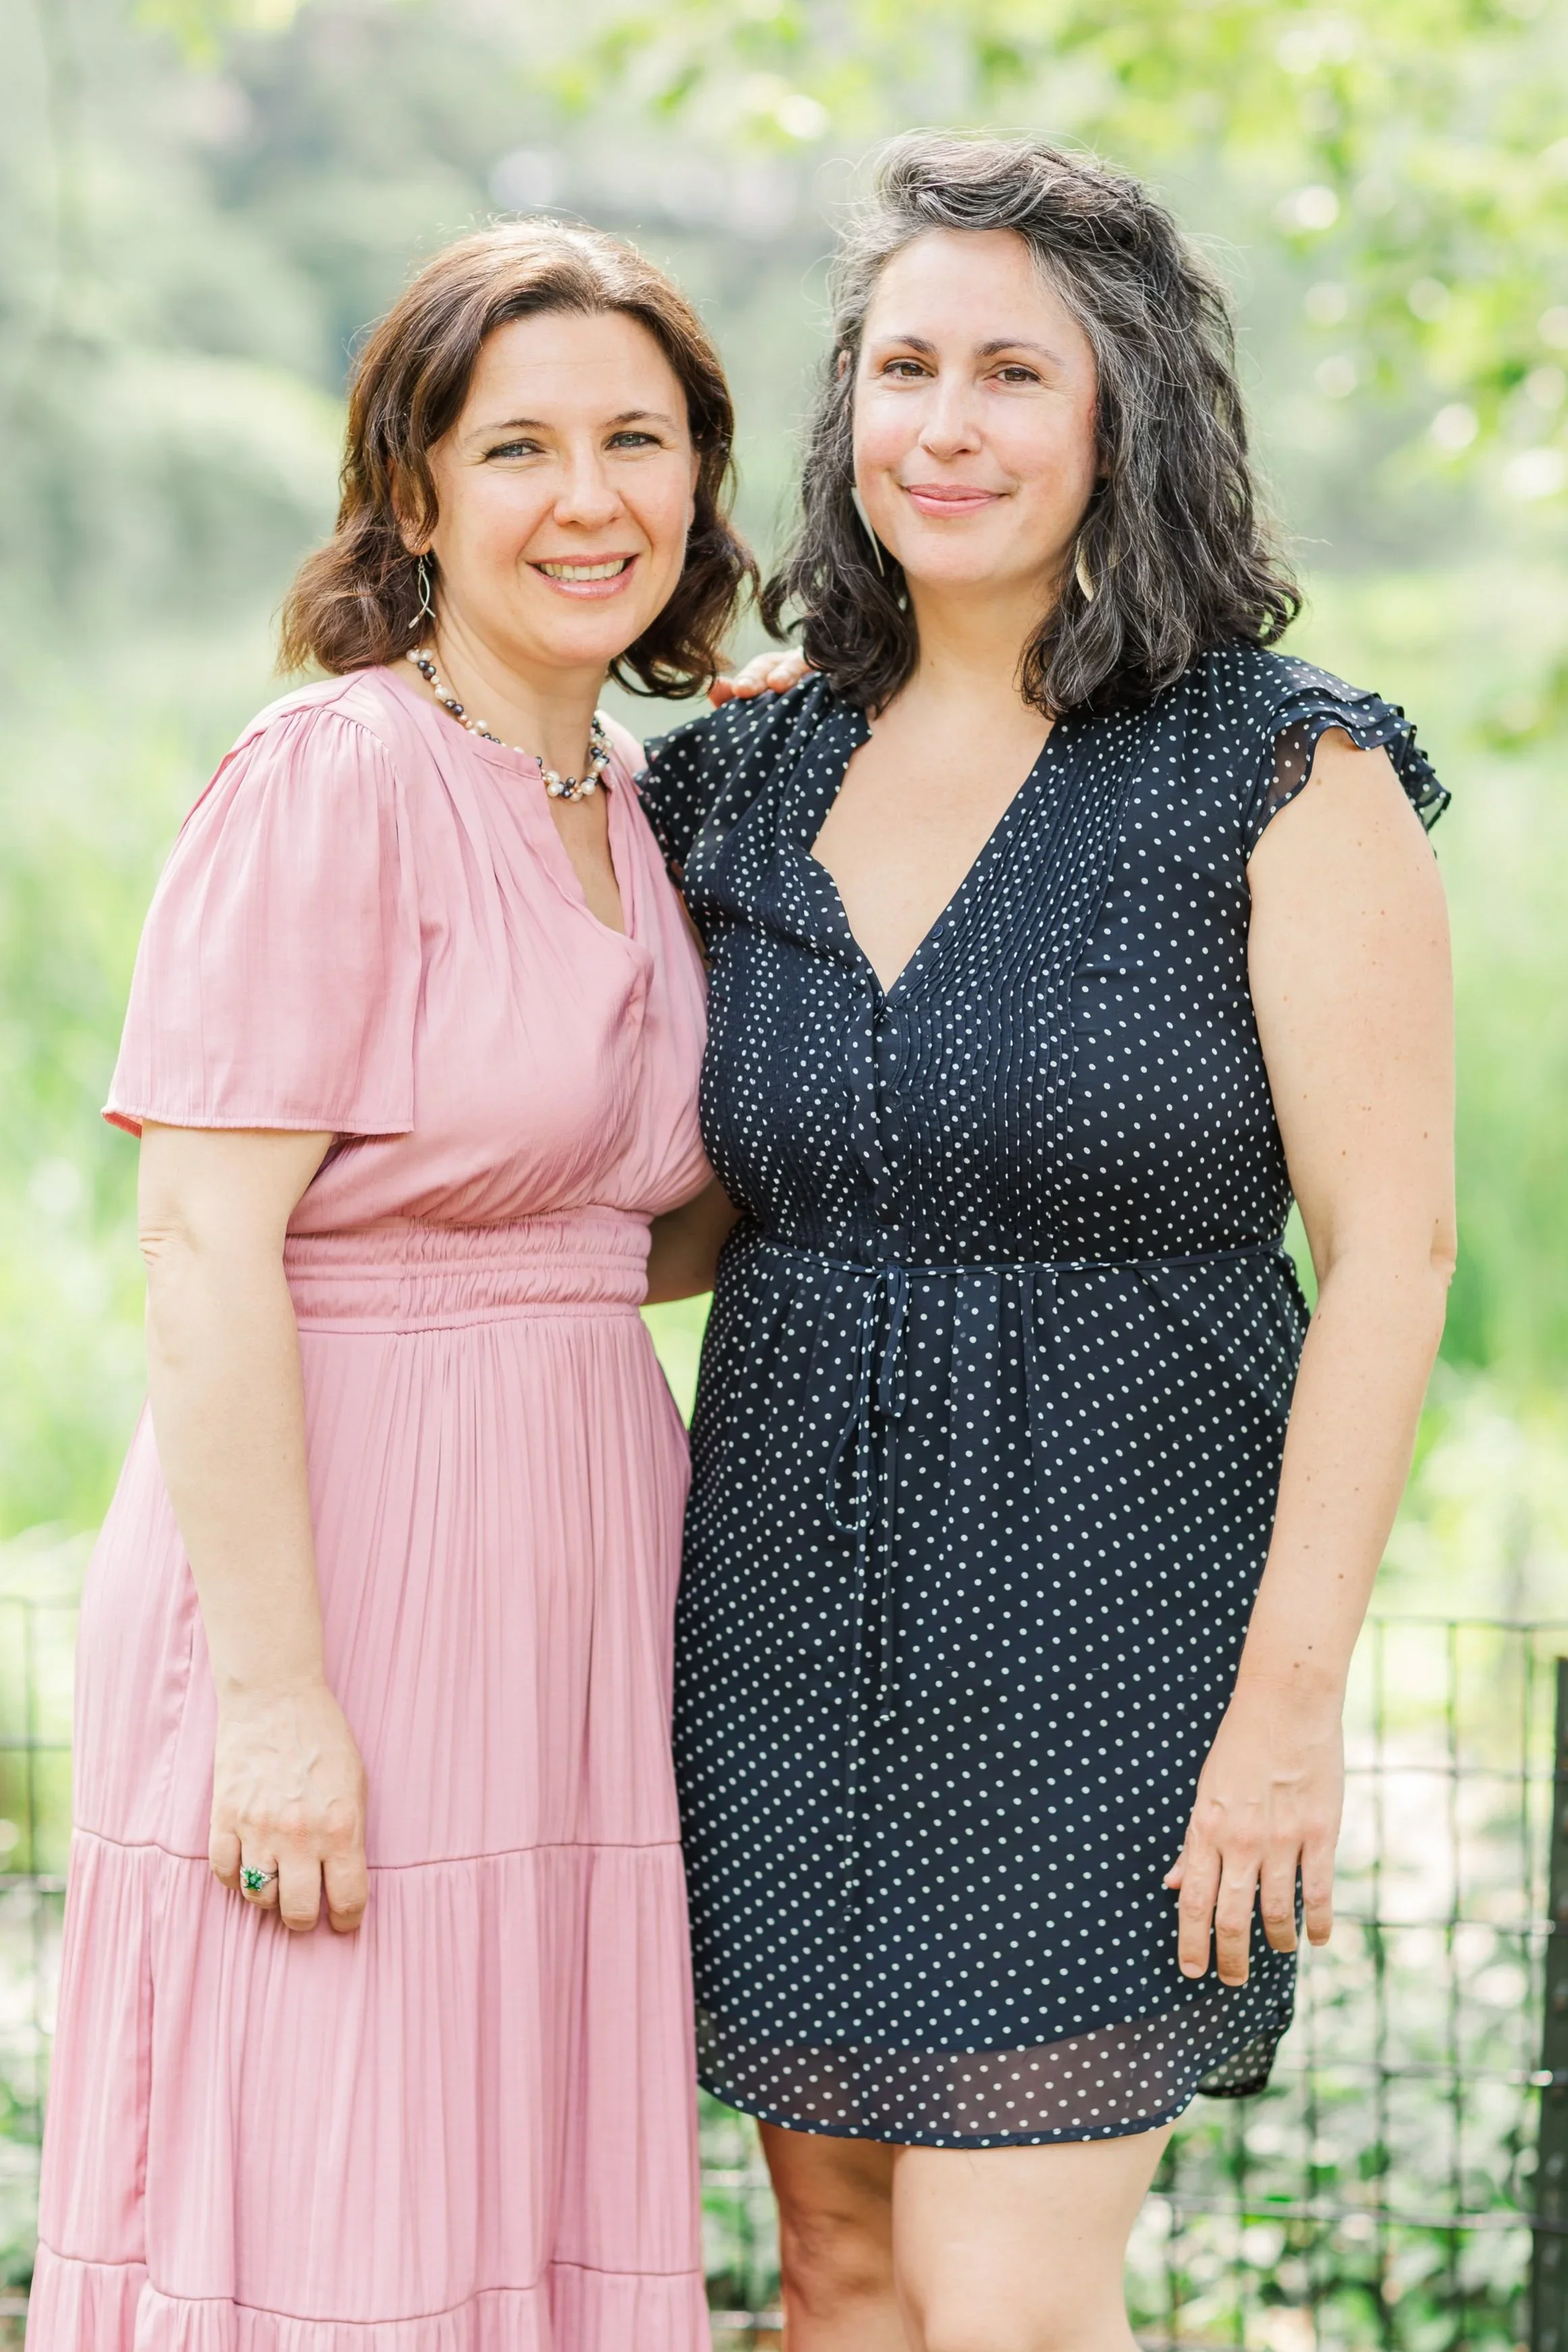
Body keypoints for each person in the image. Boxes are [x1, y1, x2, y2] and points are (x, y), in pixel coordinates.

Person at [637, 134, 1455, 2352]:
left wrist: (1288, 1708)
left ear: (1127, 417)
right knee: (839, 2275)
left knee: (1007, 2300)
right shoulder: (738, 784)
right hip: (786, 1627)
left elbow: (1396, 1258)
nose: (947, 422)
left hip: (1127, 1641)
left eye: (1014, 370)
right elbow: (687, 1202)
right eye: (903, 366)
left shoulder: (1286, 776)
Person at [30, 221, 745, 2351]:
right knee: (332, 2175)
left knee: (511, 2177)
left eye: (637, 437)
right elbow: (200, 1241)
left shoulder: (632, 799)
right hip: (340, 1571)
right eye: (515, 444)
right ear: (413, 493)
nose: (587, 494)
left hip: (582, 1569)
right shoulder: (331, 775)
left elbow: (640, 1218)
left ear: (701, 480)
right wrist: (277, 1704)